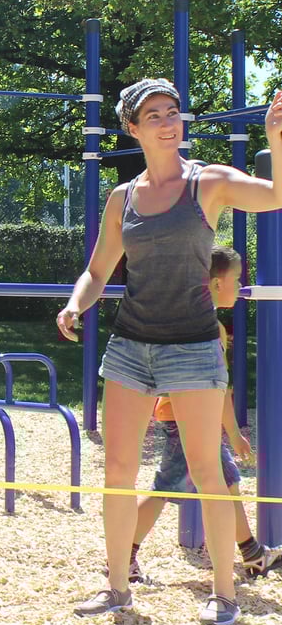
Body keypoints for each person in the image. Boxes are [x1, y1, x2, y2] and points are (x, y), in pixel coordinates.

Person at [57, 78, 282, 625]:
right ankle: (116, 588)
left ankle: (225, 594)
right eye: (153, 114)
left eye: (173, 111)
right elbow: (98, 269)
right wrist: (75, 304)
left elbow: (276, 195)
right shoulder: (122, 198)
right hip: (132, 344)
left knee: (209, 471)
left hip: (193, 345)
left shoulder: (208, 182)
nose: (168, 121)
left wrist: (276, 141)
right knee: (116, 468)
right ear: (132, 128)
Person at [123, 245, 282, 582]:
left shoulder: (184, 317)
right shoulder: (209, 327)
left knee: (227, 483)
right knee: (166, 488)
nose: (240, 288)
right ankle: (122, 558)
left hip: (184, 416)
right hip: (187, 418)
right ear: (213, 283)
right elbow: (218, 390)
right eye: (236, 280)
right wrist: (235, 433)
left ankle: (253, 554)